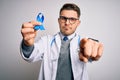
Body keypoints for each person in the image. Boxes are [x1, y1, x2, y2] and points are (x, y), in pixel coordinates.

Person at [20, 3, 103, 80]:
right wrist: (27, 44)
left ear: (78, 23)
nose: (67, 23)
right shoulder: (46, 41)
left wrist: (92, 49)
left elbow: (90, 51)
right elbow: (30, 56)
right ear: (59, 20)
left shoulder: (83, 43)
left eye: (72, 19)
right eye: (64, 18)